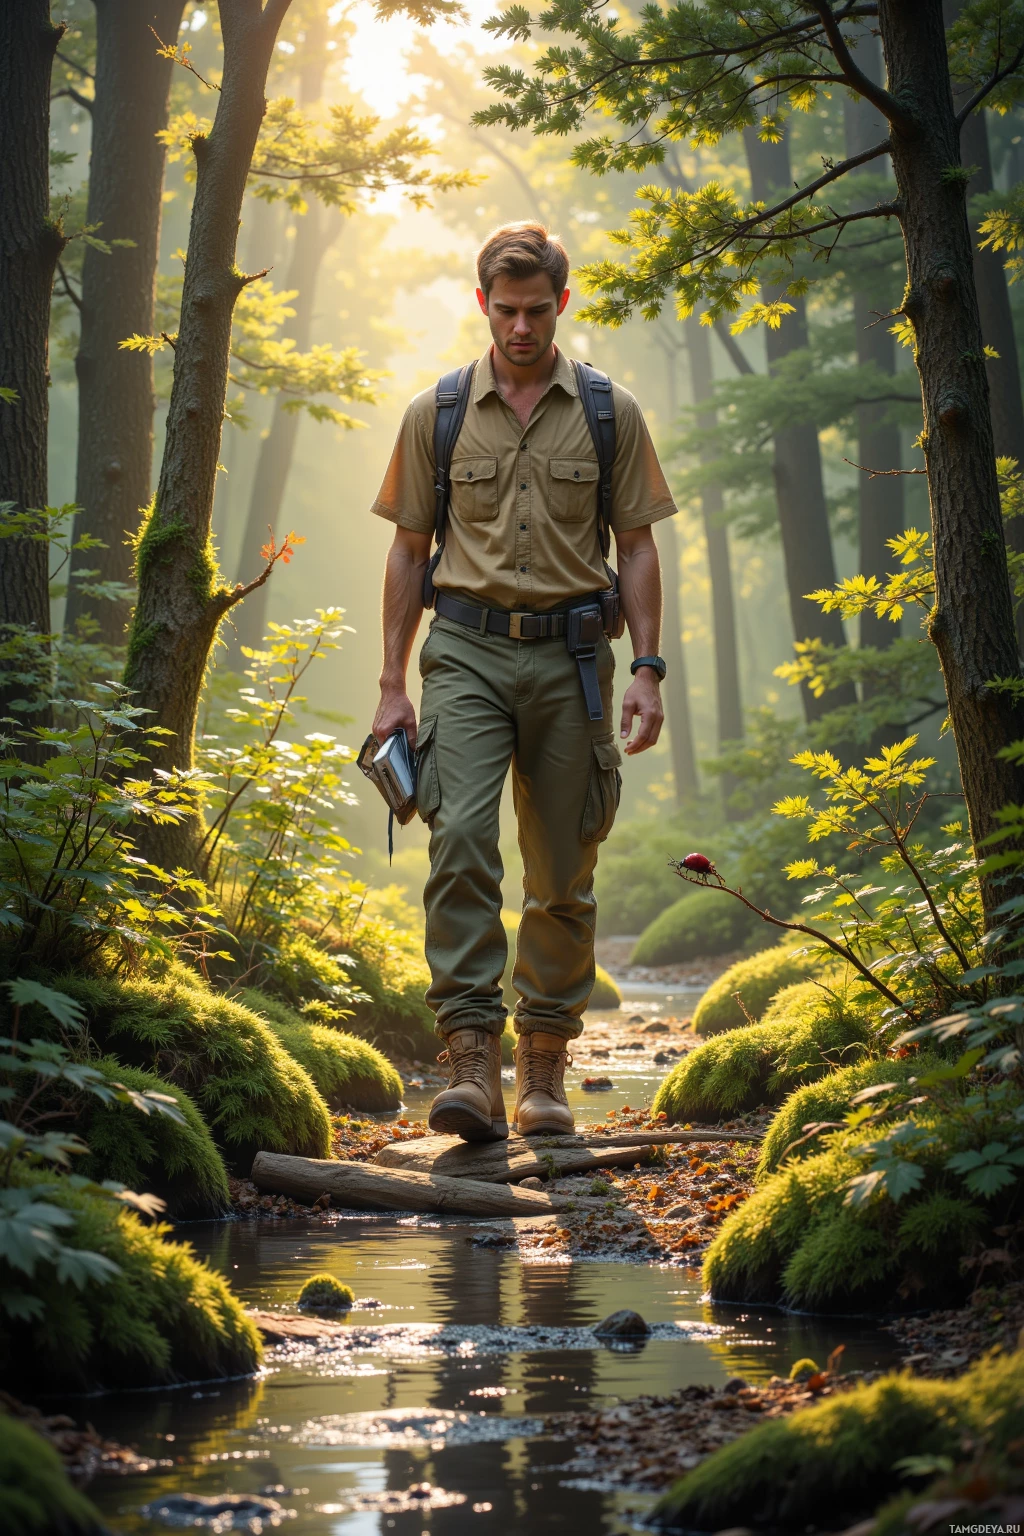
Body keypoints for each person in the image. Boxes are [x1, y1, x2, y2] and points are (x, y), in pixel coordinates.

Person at [370, 221, 676, 1142]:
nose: (520, 327)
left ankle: (542, 1070)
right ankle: (471, 1064)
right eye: (505, 310)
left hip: (573, 661)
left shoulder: (610, 411)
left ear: (561, 304)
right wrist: (391, 685)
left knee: (563, 865)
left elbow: (637, 547)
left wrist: (648, 669)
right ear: (482, 305)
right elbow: (408, 551)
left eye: (537, 310)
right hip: (463, 651)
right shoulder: (436, 413)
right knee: (460, 838)